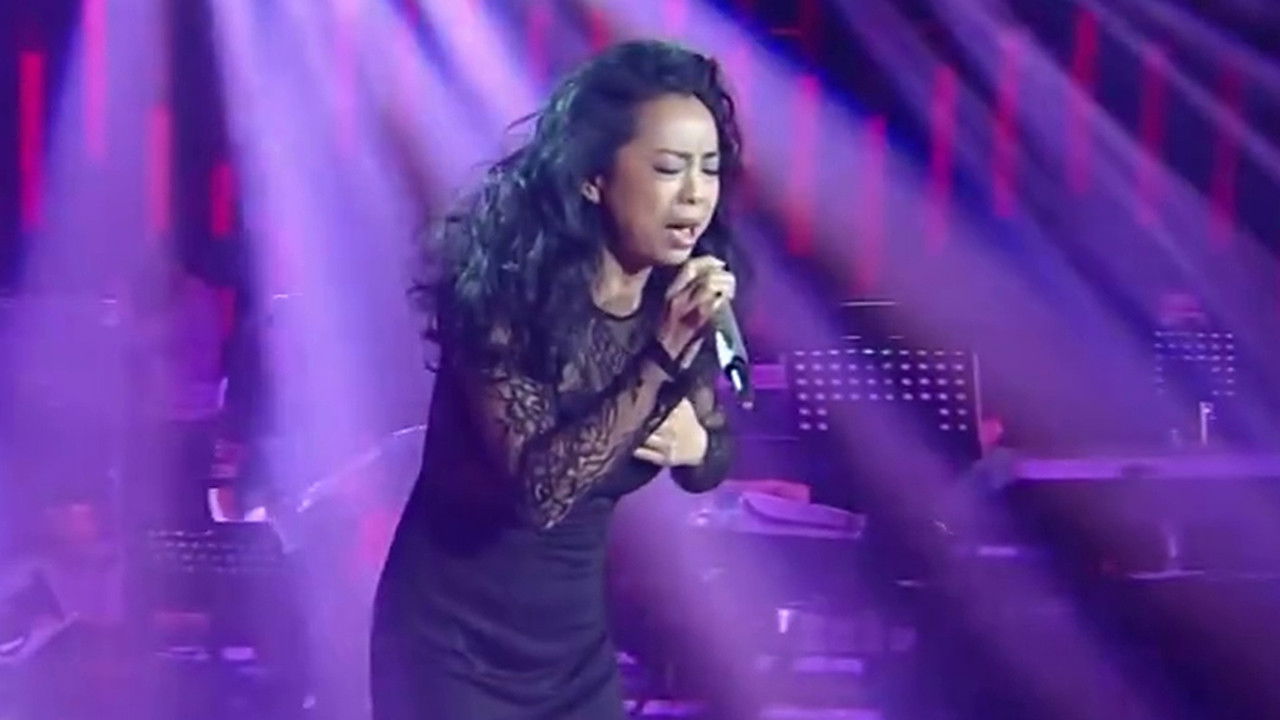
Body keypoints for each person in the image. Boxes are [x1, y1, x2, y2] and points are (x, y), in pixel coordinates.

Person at [370, 40, 742, 719]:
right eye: (669, 168)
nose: (695, 193)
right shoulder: (506, 297)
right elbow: (542, 491)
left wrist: (698, 447)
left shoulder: (675, 298)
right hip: (453, 646)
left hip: (572, 653)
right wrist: (663, 355)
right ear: (594, 177)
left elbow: (709, 454)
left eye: (709, 169)